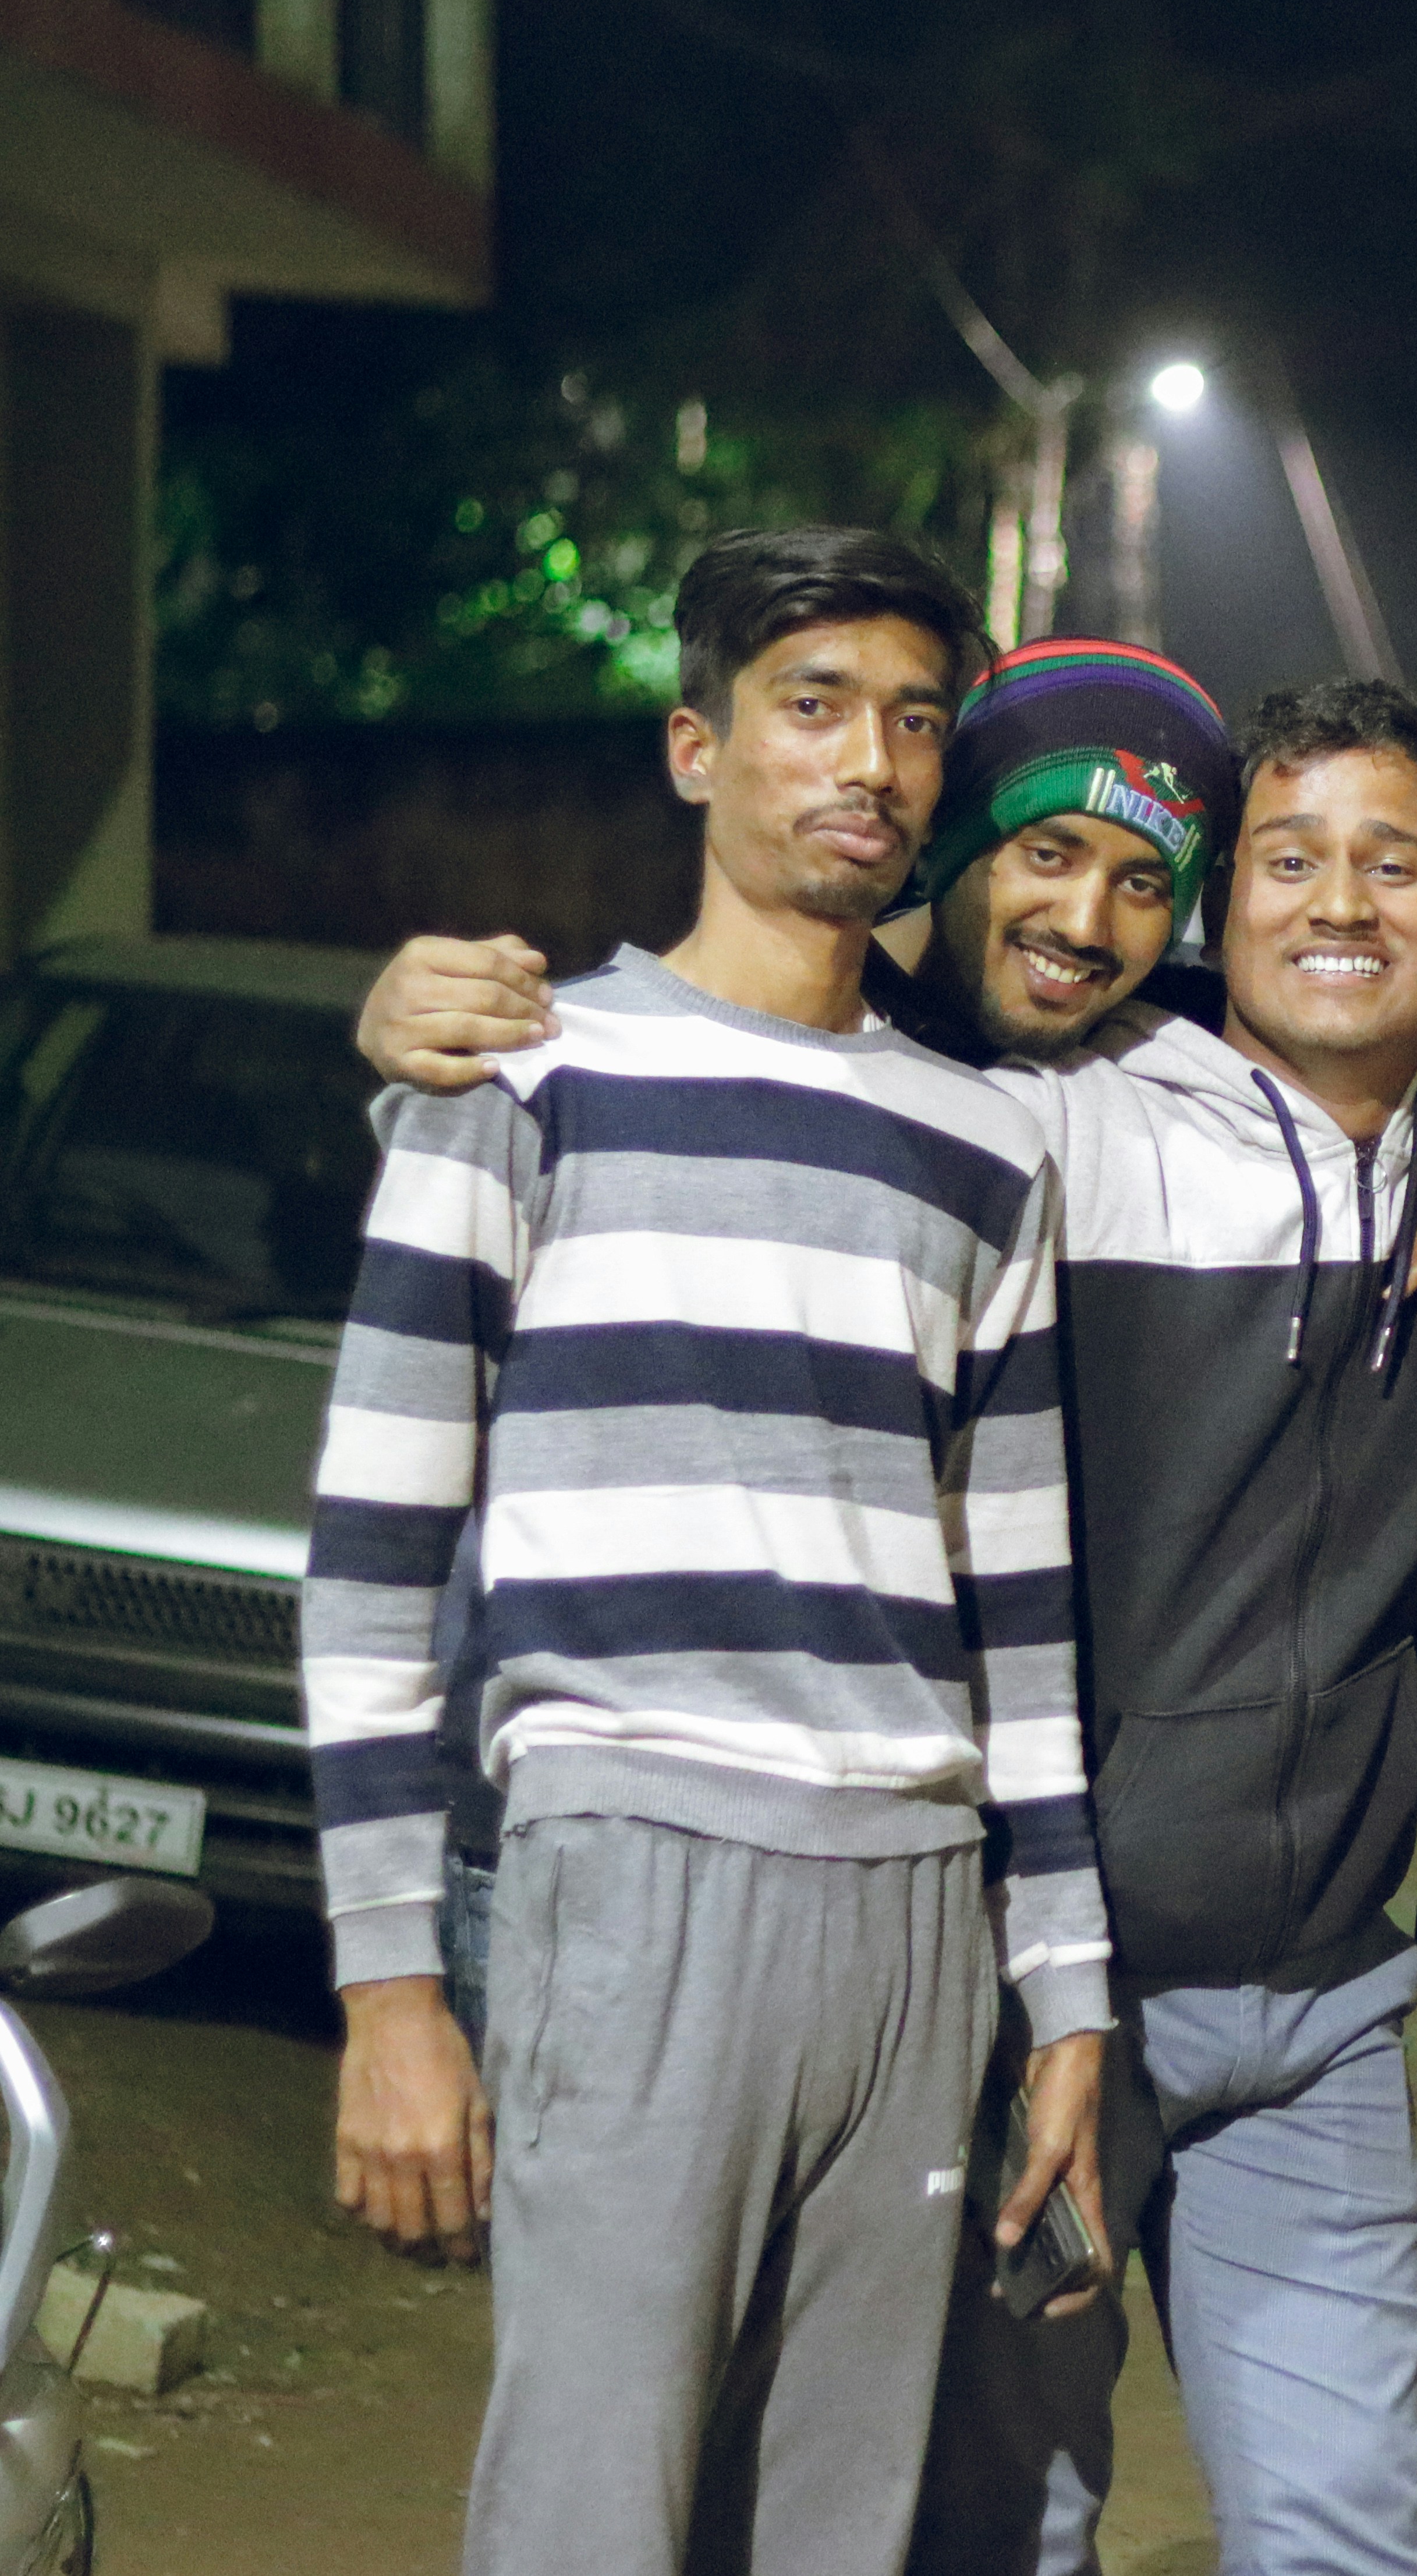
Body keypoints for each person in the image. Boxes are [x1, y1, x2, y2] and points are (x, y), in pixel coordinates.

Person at [346, 647, 1417, 2576]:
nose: (1342, 905)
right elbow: (739, 1090)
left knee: (1357, 2537)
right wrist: (422, 1055)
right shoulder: (1043, 1118)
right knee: (990, 2520)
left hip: (1321, 1991)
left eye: (1395, 868)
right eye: (1289, 862)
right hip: (1034, 1973)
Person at [306, 526, 1111, 2576]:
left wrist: (1067, 1990)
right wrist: (392, 1982)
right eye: (814, 708)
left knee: (832, 2532)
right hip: (632, 1863)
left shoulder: (986, 1143)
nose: (873, 764)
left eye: (917, 722)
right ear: (698, 749)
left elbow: (1020, 1611)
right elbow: (374, 1559)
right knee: (594, 2513)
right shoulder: (523, 1073)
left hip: (918, 1913)